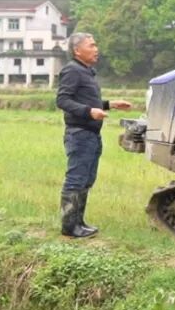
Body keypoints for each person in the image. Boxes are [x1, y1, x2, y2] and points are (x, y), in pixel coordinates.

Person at [55, 32, 132, 238]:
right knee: (76, 180)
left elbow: (87, 100)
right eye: (91, 45)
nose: (96, 49)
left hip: (91, 134)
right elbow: (63, 100)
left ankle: (78, 223)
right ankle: (69, 227)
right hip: (79, 134)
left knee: (86, 180)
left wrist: (110, 104)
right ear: (77, 50)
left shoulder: (87, 72)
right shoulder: (72, 70)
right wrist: (89, 112)